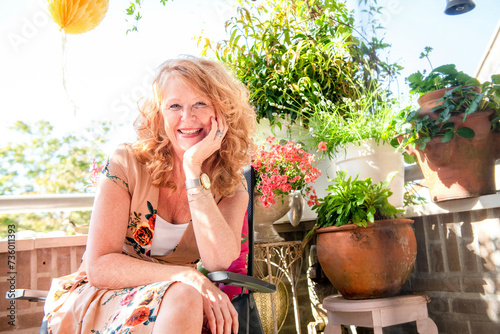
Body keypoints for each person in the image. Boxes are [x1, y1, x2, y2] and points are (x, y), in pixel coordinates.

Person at [43, 56, 257, 334]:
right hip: (103, 294)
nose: (187, 117)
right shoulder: (126, 163)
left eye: (200, 104)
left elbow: (218, 261)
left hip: (178, 300)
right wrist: (186, 275)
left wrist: (193, 171)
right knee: (186, 296)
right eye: (174, 106)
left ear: (222, 113)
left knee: (185, 298)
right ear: (159, 115)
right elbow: (99, 266)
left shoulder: (230, 185)